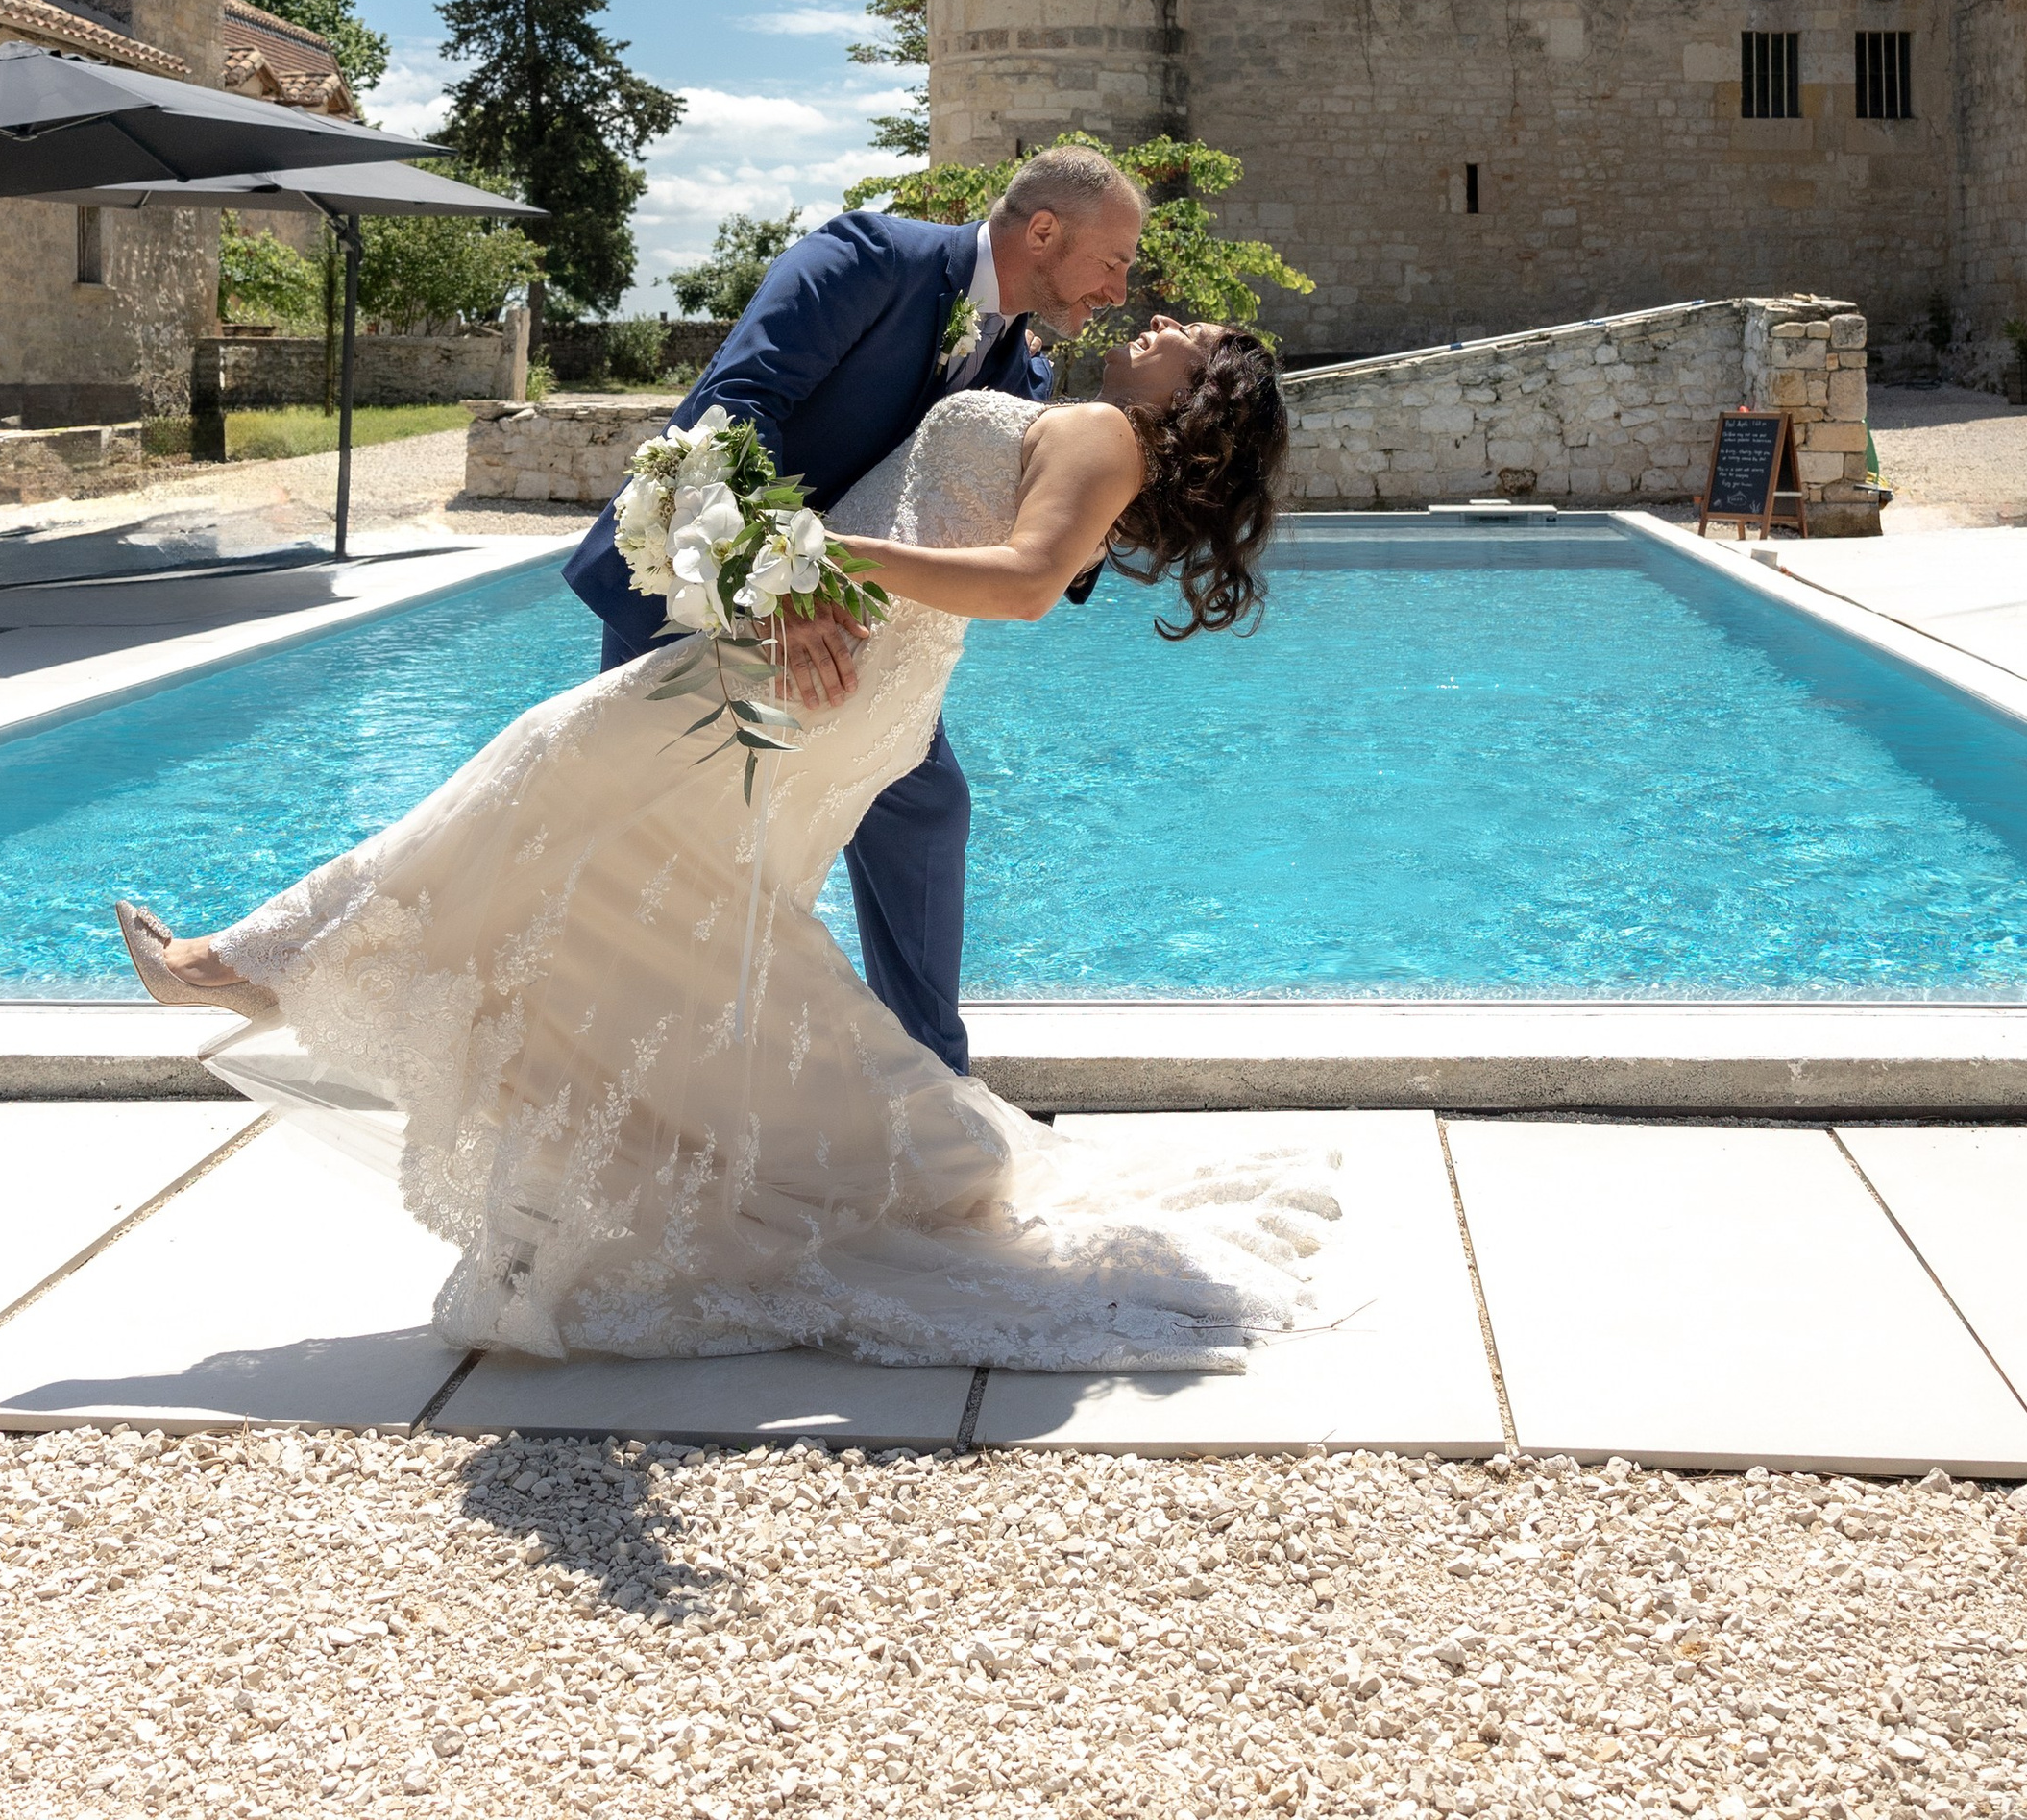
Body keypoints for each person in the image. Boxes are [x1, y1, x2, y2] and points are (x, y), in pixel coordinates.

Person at [113, 316, 1331, 1373]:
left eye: (1192, 337)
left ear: (1198, 390)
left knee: (551, 768)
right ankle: (910, 1157)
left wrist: (815, 557)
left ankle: (248, 964)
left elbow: (1019, 582)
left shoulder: (1107, 431)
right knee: (655, 894)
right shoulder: (1081, 416)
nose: (1164, 322)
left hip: (830, 670)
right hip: (822, 662)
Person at [562, 151, 1146, 1076]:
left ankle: (932, 1081)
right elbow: (736, 405)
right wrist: (782, 584)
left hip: (849, 636)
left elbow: (1021, 525)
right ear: (1044, 233)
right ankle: (605, 1072)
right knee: (638, 843)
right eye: (1114, 260)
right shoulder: (869, 254)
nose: (1120, 288)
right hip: (701, 585)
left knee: (922, 804)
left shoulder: (1020, 371)